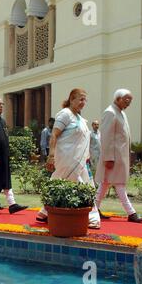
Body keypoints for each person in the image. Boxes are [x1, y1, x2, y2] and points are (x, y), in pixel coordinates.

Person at [36, 89, 101, 229]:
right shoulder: (65, 114)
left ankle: (44, 212)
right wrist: (51, 156)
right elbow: (54, 135)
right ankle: (92, 218)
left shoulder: (80, 119)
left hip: (81, 162)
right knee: (81, 186)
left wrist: (87, 158)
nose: (83, 102)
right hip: (67, 159)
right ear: (72, 99)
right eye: (81, 99)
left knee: (82, 185)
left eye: (85, 100)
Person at [95, 89, 142, 223]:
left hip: (119, 157)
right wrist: (108, 158)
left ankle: (93, 209)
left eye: (130, 100)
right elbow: (106, 138)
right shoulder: (110, 112)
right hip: (113, 158)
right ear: (117, 99)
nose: (128, 102)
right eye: (126, 99)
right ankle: (131, 213)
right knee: (119, 184)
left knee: (105, 184)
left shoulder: (120, 113)